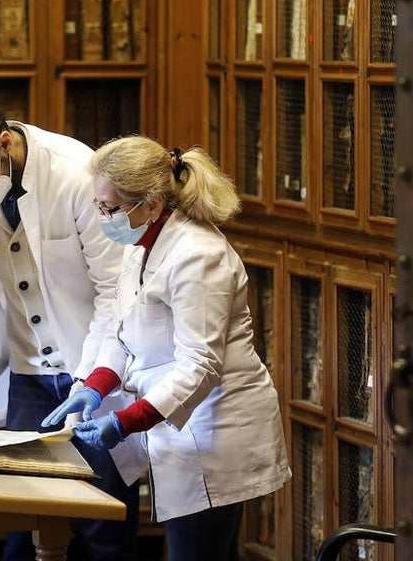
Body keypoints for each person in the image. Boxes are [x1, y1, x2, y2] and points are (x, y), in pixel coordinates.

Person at [0, 87, 143, 561]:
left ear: (2, 142)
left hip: (94, 368)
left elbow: (114, 291)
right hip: (26, 374)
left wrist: (91, 380)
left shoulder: (76, 173)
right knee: (21, 520)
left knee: (104, 527)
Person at [42, 136, 291, 561]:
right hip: (178, 426)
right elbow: (122, 332)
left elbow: (201, 365)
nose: (103, 218)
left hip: (216, 427)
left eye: (111, 209)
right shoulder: (140, 244)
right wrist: (94, 386)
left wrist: (125, 421)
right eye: (99, 206)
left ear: (152, 203)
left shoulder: (199, 256)